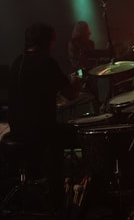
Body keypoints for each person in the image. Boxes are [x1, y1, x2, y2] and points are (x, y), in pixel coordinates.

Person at [8, 22, 82, 203]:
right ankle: (60, 192)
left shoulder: (17, 62)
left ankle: (44, 185)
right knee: (81, 135)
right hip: (42, 131)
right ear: (46, 42)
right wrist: (76, 81)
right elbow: (71, 95)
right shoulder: (47, 62)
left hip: (17, 129)